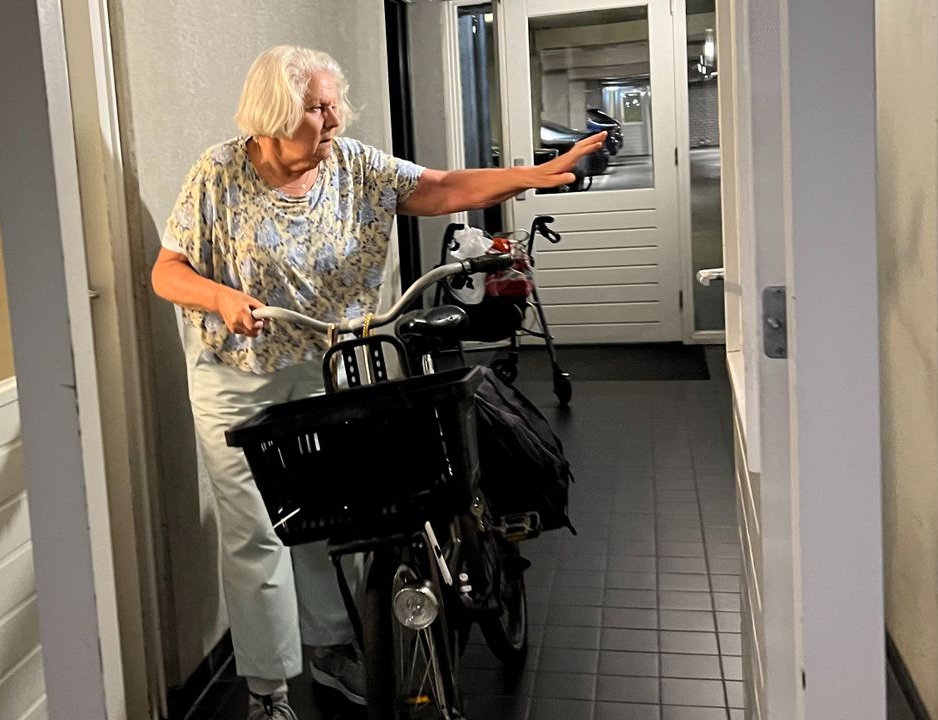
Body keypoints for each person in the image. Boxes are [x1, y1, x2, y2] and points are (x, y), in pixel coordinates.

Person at [151, 45, 604, 720]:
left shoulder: (354, 166)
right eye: (317, 106)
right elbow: (167, 271)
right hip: (237, 377)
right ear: (275, 111)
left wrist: (537, 175)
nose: (334, 117)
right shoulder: (218, 174)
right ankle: (269, 691)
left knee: (332, 513)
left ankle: (336, 647)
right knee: (254, 535)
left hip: (330, 365)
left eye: (336, 103)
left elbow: (443, 187)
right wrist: (218, 298)